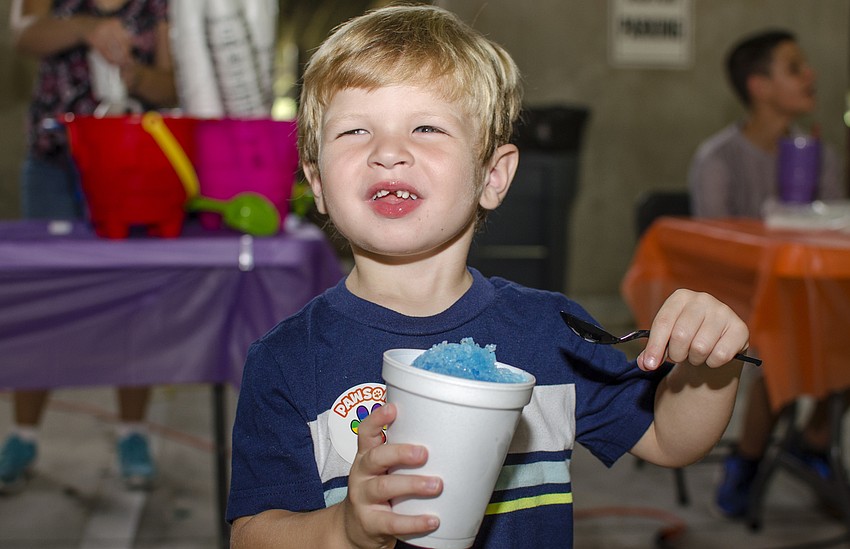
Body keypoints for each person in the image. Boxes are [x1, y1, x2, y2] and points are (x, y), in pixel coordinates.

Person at [226, 5, 754, 548]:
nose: (387, 152)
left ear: (493, 176)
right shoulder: (287, 359)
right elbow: (254, 534)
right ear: (316, 180)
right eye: (355, 131)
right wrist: (342, 530)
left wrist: (712, 362)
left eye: (426, 127)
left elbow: (670, 438)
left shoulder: (553, 330)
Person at [0, 0, 177, 493]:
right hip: (54, 167)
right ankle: (23, 434)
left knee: (133, 305)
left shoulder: (158, 6)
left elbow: (172, 83)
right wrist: (88, 28)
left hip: (130, 172)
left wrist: (131, 75)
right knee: (41, 304)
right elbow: (22, 36)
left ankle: (133, 434)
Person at [688, 29, 845, 518]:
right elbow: (713, 255)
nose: (810, 75)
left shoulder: (825, 157)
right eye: (795, 68)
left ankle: (812, 436)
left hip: (812, 292)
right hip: (739, 296)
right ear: (759, 85)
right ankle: (758, 455)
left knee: (828, 320)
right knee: (794, 331)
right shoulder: (719, 159)